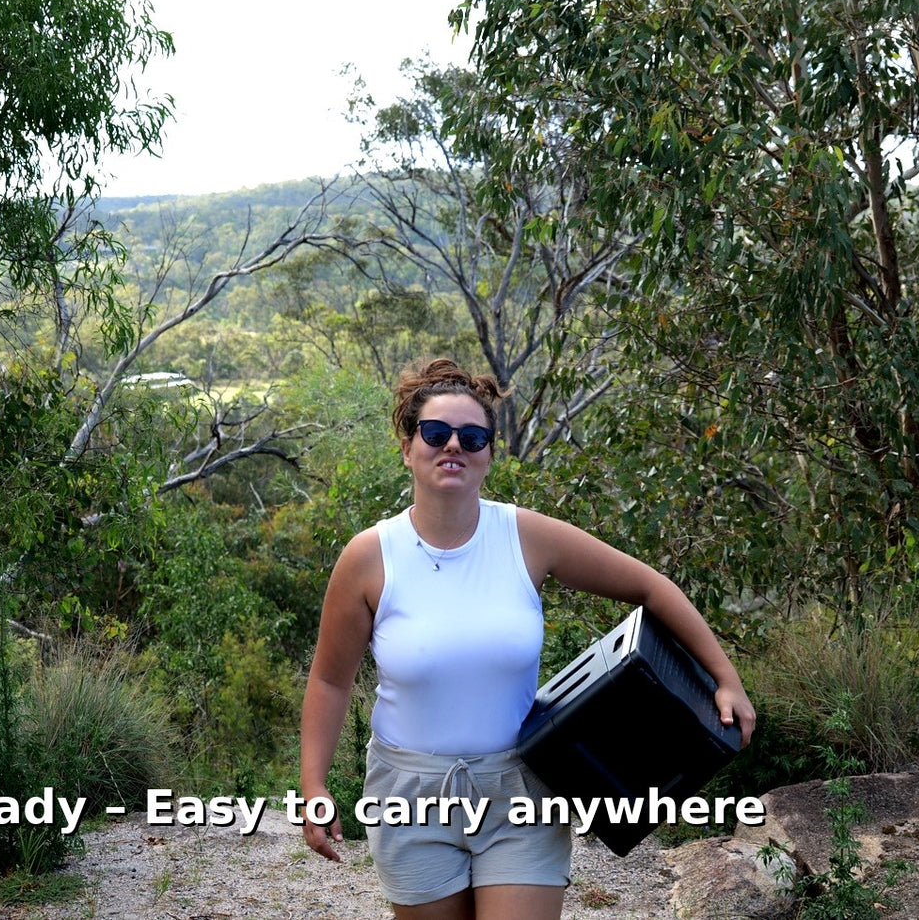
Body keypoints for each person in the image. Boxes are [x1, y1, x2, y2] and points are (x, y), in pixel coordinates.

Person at [299, 358, 756, 920]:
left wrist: (725, 680)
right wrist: (314, 787)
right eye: (437, 433)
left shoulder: (526, 537)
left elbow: (651, 587)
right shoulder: (370, 557)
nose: (454, 448)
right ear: (407, 446)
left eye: (473, 437)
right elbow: (329, 680)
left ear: (490, 452)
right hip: (408, 794)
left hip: (521, 787)